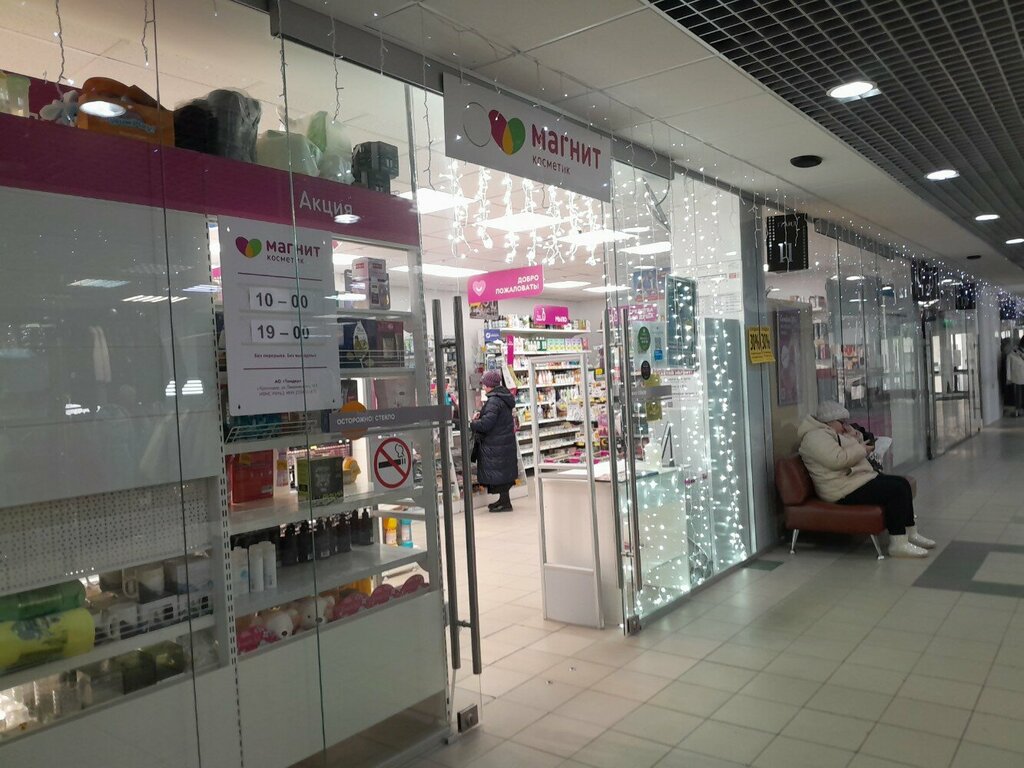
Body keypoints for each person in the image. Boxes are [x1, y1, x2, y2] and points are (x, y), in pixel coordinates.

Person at [798, 401, 935, 558]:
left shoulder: (830, 433)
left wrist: (854, 436)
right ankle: (898, 543)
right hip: (840, 489)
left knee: (902, 483)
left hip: (851, 480)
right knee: (896, 490)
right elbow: (837, 460)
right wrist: (861, 449)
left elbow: (845, 451)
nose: (845, 426)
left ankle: (910, 533)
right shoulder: (815, 437)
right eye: (842, 422)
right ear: (829, 421)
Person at [470, 370, 518, 512]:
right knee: (503, 472)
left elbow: (486, 424)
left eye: (484, 384)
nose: (483, 387)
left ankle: (505, 503)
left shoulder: (494, 401)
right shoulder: (502, 397)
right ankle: (504, 500)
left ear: (489, 385)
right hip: (502, 442)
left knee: (500, 473)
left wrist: (473, 423)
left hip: (496, 443)